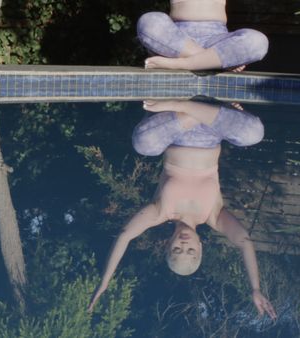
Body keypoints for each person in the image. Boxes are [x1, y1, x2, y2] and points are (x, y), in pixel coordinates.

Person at [87, 99, 277, 320]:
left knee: (144, 144)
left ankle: (195, 108)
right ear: (200, 246)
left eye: (177, 250)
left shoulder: (161, 211)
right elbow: (244, 241)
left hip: (176, 128)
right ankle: (201, 108)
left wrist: (105, 281)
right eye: (191, 251)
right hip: (211, 130)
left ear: (168, 244)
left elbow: (124, 235)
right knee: (254, 133)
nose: (184, 245)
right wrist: (255, 288)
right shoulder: (213, 215)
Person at [137, 0, 269, 71]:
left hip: (217, 41)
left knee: (258, 41)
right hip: (179, 39)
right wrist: (226, 60)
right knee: (148, 21)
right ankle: (211, 61)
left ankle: (183, 64)